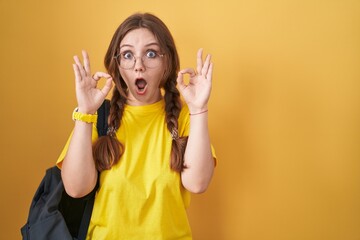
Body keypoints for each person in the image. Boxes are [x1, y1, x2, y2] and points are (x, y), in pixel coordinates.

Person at [56, 12, 216, 239]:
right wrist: (85, 112)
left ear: (166, 62)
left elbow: (198, 183)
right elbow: (76, 188)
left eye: (150, 54)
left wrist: (199, 109)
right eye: (128, 55)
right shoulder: (98, 116)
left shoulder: (184, 117)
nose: (138, 66)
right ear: (118, 64)